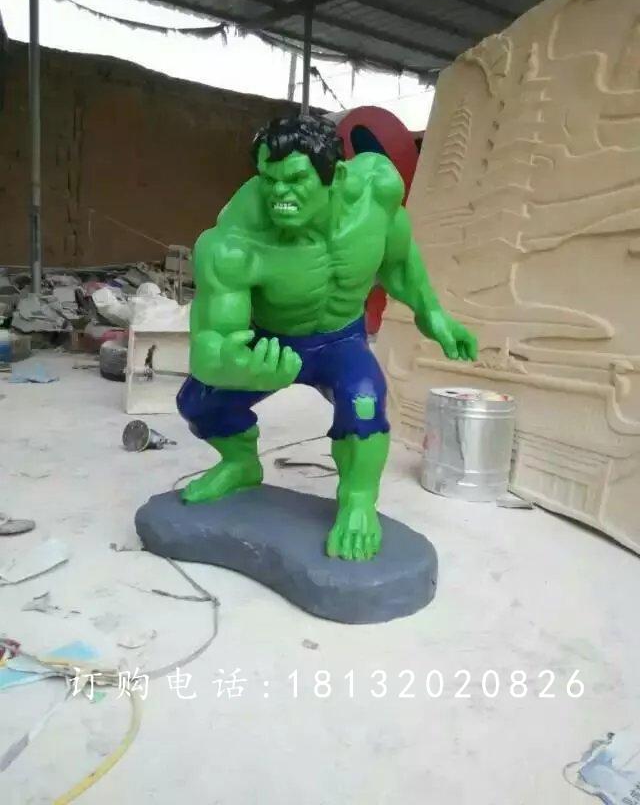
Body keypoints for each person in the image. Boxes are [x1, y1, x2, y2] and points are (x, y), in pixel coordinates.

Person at [177, 115, 476, 561]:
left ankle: (358, 503)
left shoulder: (376, 193)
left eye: (296, 179)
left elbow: (397, 261)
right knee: (198, 402)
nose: (279, 194)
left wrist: (431, 311)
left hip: (340, 341)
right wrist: (237, 366)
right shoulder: (234, 241)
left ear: (333, 176)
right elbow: (209, 345)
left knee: (364, 399)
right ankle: (240, 464)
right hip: (271, 343)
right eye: (269, 179)